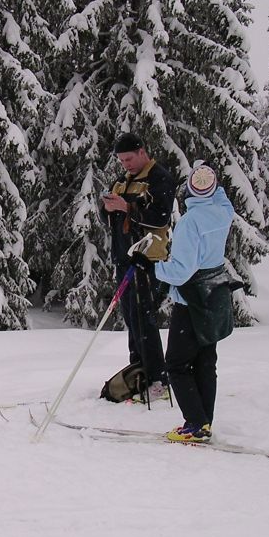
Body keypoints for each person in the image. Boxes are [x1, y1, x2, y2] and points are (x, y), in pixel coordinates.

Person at [152, 162, 236, 441]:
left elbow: (181, 271)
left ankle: (195, 423)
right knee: (205, 362)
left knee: (176, 363)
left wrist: (154, 266)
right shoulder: (223, 212)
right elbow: (223, 197)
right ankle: (204, 421)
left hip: (192, 300)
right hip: (214, 294)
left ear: (188, 188)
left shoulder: (190, 222)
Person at [101, 132, 175, 398]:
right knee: (132, 318)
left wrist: (127, 207)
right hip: (124, 257)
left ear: (142, 152)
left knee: (145, 318)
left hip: (147, 259)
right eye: (122, 161)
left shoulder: (159, 178)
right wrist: (109, 208)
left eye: (129, 159)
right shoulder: (124, 180)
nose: (126, 165)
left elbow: (160, 217)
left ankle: (158, 379)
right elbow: (113, 214)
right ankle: (139, 370)